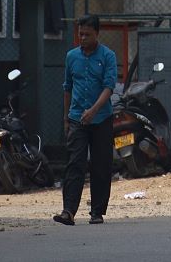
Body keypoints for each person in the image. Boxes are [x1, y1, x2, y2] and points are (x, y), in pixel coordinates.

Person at [53, 14, 117, 226]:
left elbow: (109, 87)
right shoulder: (71, 57)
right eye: (80, 34)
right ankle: (68, 211)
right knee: (75, 164)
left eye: (87, 34)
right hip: (77, 119)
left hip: (102, 119)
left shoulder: (108, 56)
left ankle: (97, 212)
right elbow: (67, 88)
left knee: (100, 165)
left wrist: (94, 110)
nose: (83, 38)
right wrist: (66, 118)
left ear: (97, 34)